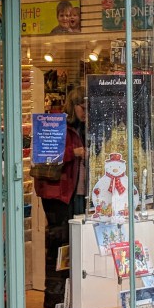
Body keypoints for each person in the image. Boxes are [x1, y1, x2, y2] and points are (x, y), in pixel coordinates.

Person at [34, 110, 83, 308]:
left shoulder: (80, 127)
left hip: (72, 193)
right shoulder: (57, 125)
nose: (85, 109)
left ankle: (66, 296)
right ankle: (55, 297)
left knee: (66, 243)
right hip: (57, 194)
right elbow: (45, 155)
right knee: (58, 243)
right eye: (81, 105)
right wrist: (75, 152)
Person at [64, 85, 88, 216]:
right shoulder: (62, 127)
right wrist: (73, 152)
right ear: (73, 106)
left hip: (82, 188)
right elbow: (50, 156)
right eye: (83, 108)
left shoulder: (86, 127)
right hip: (67, 190)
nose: (85, 112)